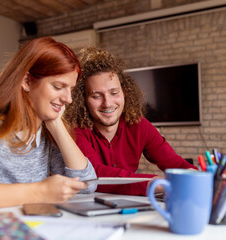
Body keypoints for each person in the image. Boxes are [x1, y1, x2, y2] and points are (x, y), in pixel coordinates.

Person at [0, 37, 97, 213]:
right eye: (58, 86)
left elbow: (86, 185)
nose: (68, 99)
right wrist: (39, 191)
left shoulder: (44, 135)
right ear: (26, 81)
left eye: (71, 89)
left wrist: (56, 124)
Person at [64, 47, 197, 196]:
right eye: (96, 96)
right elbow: (94, 174)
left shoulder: (140, 126)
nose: (107, 103)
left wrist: (197, 176)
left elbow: (175, 164)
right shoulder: (75, 131)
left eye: (114, 93)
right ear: (83, 100)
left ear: (124, 92)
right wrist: (154, 183)